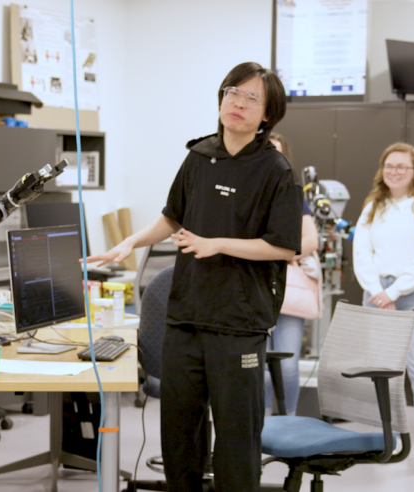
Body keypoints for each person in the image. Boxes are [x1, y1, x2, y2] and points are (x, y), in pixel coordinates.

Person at [86, 62, 302, 492]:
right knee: (180, 437)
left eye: (250, 98)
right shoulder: (199, 156)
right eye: (231, 93)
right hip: (185, 318)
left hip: (239, 323)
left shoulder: (276, 171)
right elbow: (172, 218)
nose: (237, 104)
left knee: (236, 439)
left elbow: (283, 247)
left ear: (267, 115)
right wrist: (129, 243)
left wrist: (217, 243)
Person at [352, 142, 414, 479]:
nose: (394, 171)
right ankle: (383, 441)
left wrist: (393, 292)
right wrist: (378, 292)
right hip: (376, 294)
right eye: (389, 166)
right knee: (378, 373)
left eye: (401, 167)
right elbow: (361, 253)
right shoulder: (372, 207)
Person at [264, 132, 319, 416]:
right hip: (252, 289)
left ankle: (288, 421)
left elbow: (311, 241)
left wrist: (277, 254)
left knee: (286, 365)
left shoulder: (294, 196)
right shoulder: (244, 194)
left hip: (286, 288)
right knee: (256, 365)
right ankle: (257, 428)